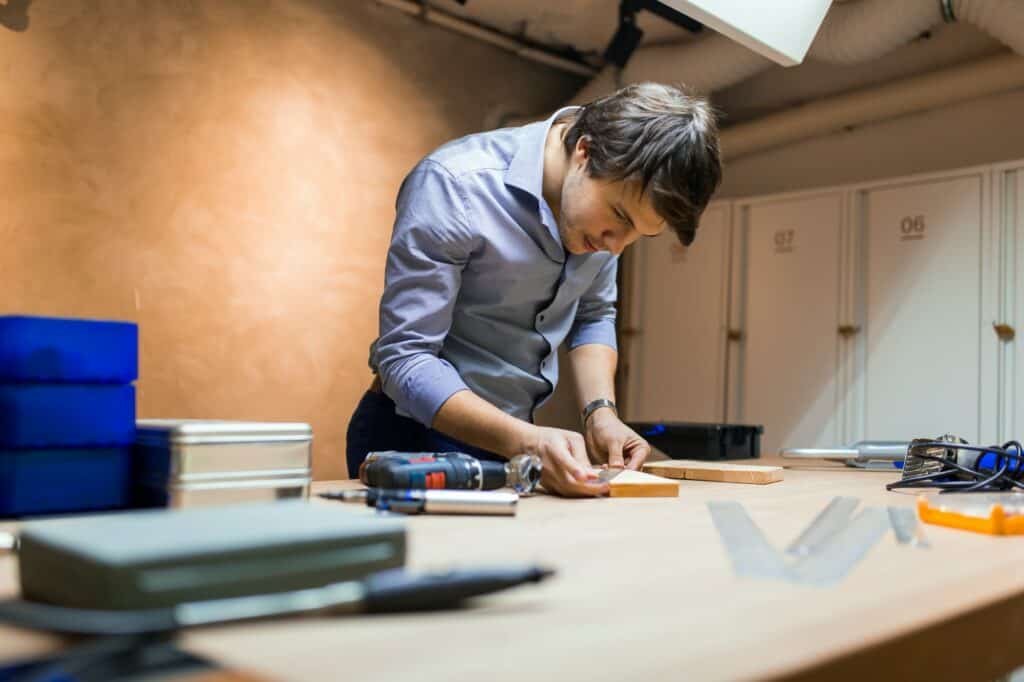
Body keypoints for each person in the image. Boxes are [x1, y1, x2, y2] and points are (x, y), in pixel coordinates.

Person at [346, 82, 722, 497]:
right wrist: (524, 441)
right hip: (412, 436)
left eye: (639, 234)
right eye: (619, 217)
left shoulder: (604, 221)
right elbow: (405, 359)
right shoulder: (455, 184)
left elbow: (594, 314)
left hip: (514, 441)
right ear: (585, 151)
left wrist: (601, 413)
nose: (617, 245)